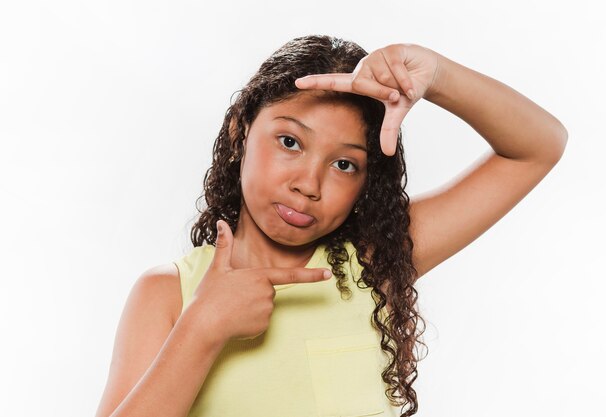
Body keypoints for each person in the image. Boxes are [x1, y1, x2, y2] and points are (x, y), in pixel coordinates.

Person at [95, 35, 567, 417]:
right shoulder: (168, 293)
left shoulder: (371, 263)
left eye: (344, 164)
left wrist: (436, 74)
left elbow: (536, 147)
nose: (309, 184)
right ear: (240, 131)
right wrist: (202, 328)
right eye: (289, 141)